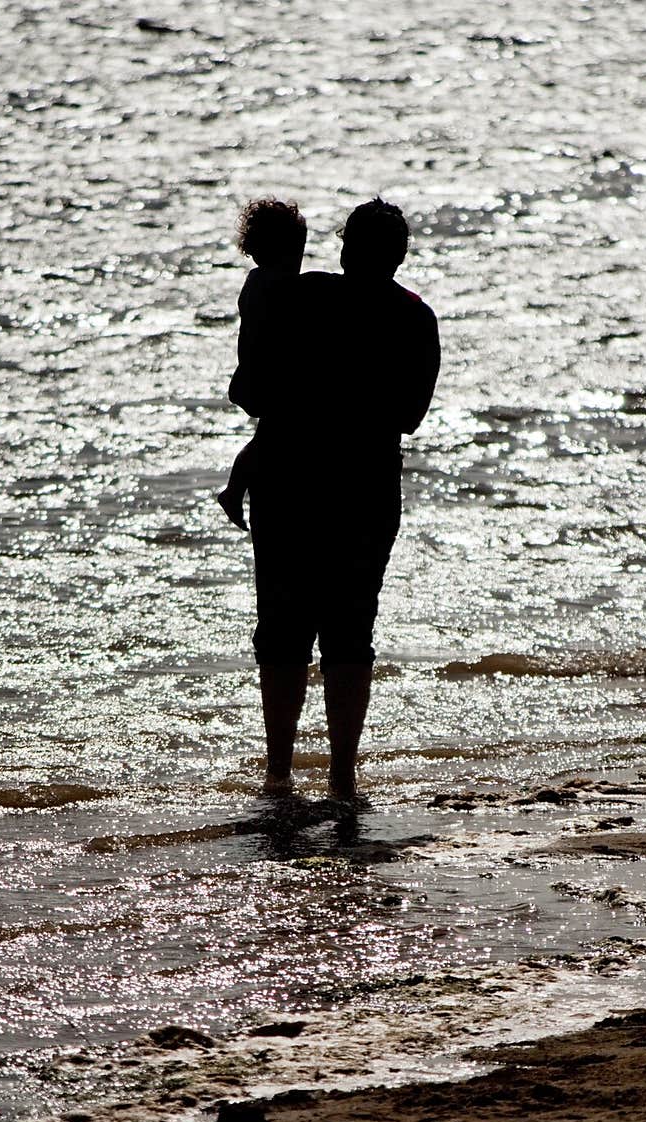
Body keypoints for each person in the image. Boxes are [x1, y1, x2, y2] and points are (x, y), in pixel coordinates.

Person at [229, 197, 440, 800]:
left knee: (283, 630)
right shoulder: (414, 318)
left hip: (290, 483)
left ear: (345, 248)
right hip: (365, 490)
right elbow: (408, 416)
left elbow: (252, 390)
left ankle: (279, 772)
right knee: (351, 632)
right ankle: (343, 776)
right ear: (398, 257)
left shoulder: (305, 297)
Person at [217, 198, 307, 531]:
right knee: (266, 438)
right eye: (295, 253)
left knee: (264, 437)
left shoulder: (266, 281)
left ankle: (233, 490)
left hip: (262, 372)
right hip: (264, 374)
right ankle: (233, 490)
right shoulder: (271, 285)